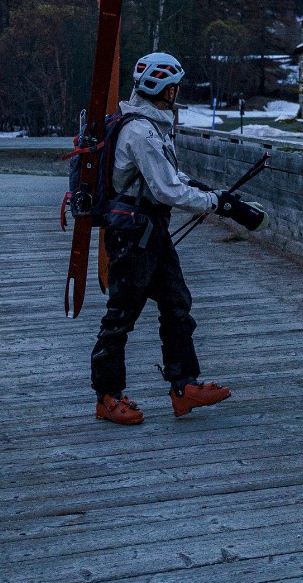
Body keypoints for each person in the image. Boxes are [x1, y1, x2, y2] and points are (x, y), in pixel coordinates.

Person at [91, 52, 262, 424]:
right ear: (159, 87)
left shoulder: (153, 126)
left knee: (176, 303)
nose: (177, 92)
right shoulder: (140, 131)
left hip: (151, 229)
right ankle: (107, 397)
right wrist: (217, 203)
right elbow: (167, 189)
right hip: (132, 234)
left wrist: (209, 192)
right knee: (121, 315)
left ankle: (184, 387)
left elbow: (170, 180)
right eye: (173, 86)